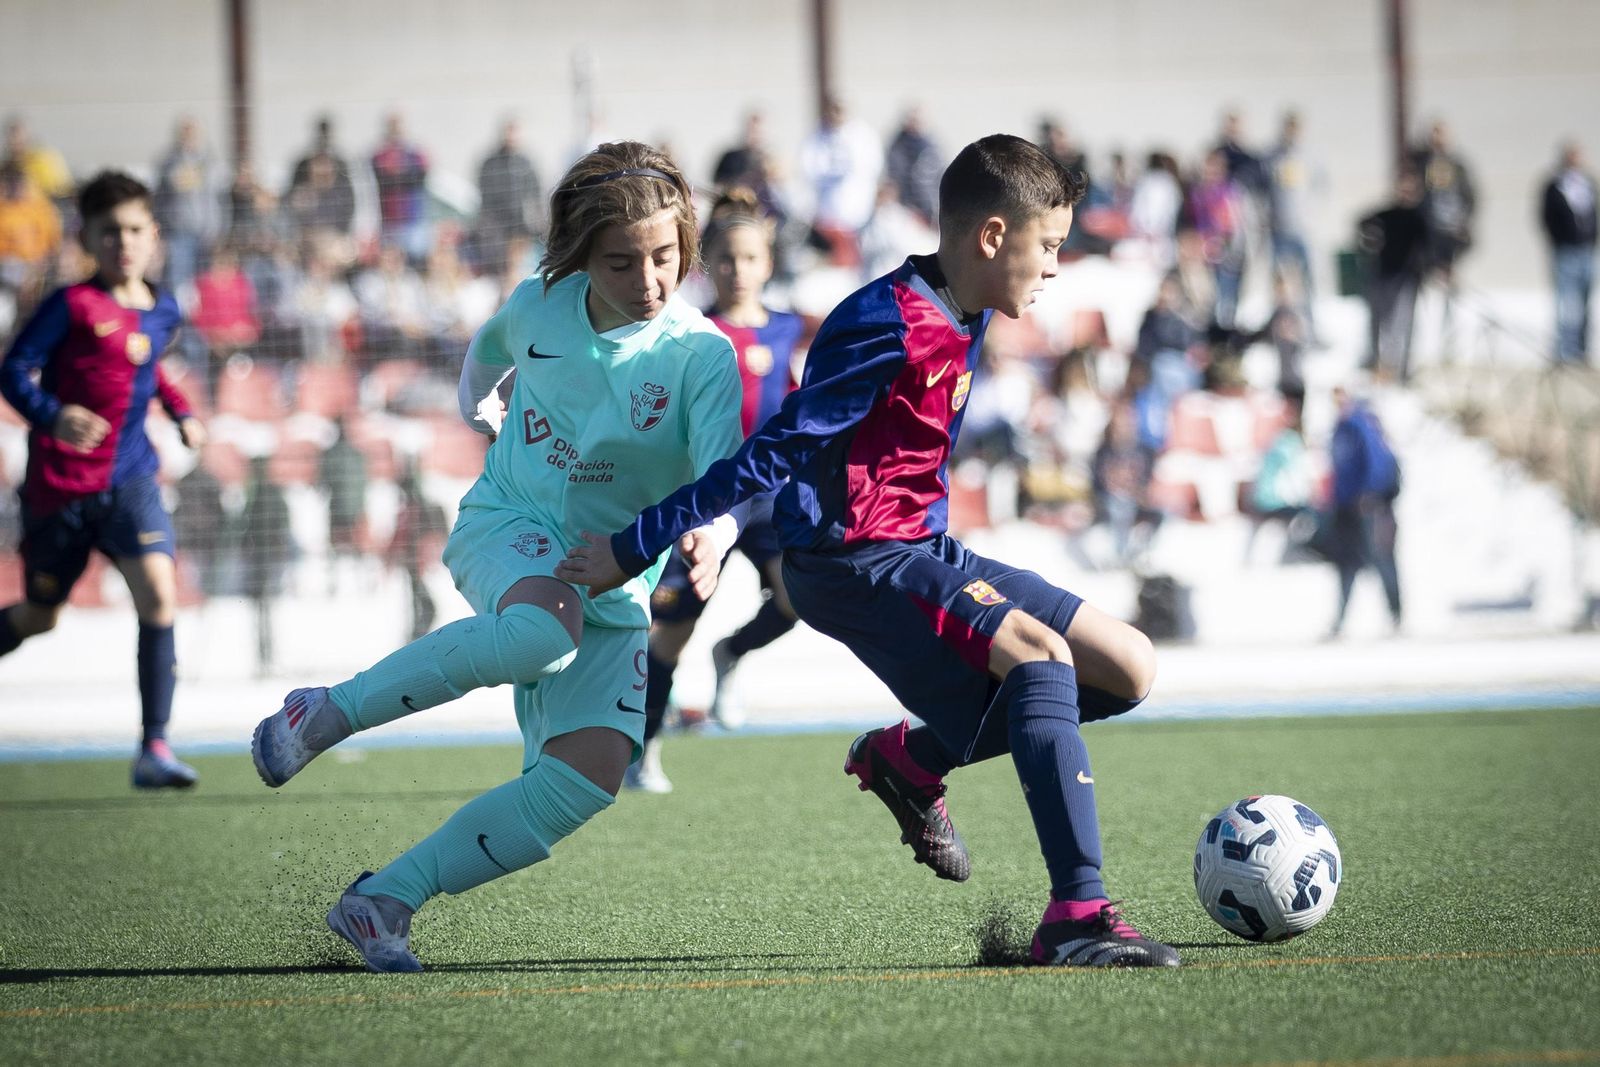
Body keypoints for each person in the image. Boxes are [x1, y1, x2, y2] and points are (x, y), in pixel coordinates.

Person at [557, 134, 1180, 969]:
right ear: (992, 238)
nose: (1058, 267)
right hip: (849, 559)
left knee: (1128, 666)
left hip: (924, 548)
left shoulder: (972, 300)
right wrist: (637, 543)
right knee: (1038, 657)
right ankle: (1077, 911)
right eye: (1051, 246)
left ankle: (909, 757)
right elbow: (769, 451)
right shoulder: (884, 321)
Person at [249, 141, 743, 972]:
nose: (650, 279)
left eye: (666, 257)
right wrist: (484, 412)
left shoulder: (702, 355)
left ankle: (382, 900)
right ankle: (324, 711)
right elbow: (485, 360)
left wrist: (711, 538)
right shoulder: (538, 305)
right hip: (510, 522)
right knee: (541, 631)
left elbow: (721, 480)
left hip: (617, 573)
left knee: (589, 777)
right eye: (623, 262)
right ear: (582, 256)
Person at [0, 170, 207, 788]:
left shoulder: (164, 306)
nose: (124, 241)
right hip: (60, 488)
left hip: (132, 479)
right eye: (110, 230)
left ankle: (154, 748)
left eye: (135, 229)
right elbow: (13, 373)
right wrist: (53, 415)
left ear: (154, 235)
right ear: (87, 237)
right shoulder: (70, 305)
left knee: (159, 596)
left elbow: (149, 372)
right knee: (40, 616)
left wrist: (183, 411)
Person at [631, 191, 806, 793]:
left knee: (800, 597)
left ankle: (731, 653)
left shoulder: (790, 328)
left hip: (774, 493)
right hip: (712, 495)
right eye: (726, 259)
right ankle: (644, 750)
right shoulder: (692, 329)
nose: (738, 270)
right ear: (709, 265)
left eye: (750, 258)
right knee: (670, 634)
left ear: (768, 264)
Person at [1324, 384, 1402, 638]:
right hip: (1346, 507)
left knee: (1381, 560)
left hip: (1367, 507)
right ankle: (1340, 620)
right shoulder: (1340, 428)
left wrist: (1370, 494)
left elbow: (1378, 463)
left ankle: (1395, 615)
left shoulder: (1362, 425)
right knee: (1346, 564)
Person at [1358, 170, 1430, 384]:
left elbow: (1432, 246)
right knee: (1377, 321)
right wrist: (1370, 240)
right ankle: (1376, 364)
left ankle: (1400, 371)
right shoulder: (1388, 214)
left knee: (1401, 325)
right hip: (1383, 274)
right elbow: (1363, 223)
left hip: (1406, 279)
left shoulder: (1420, 218)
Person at [1540, 141, 1596, 364]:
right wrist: (1557, 241)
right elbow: (1546, 218)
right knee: (1565, 304)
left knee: (1585, 304)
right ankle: (1563, 351)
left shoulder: (1587, 184)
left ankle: (1581, 350)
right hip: (1565, 251)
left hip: (1587, 250)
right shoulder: (1555, 185)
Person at [238, 454, 292, 676]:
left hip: (266, 556)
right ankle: (265, 654)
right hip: (263, 556)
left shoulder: (261, 493)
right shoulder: (260, 492)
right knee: (263, 605)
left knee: (265, 605)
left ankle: (268, 654)